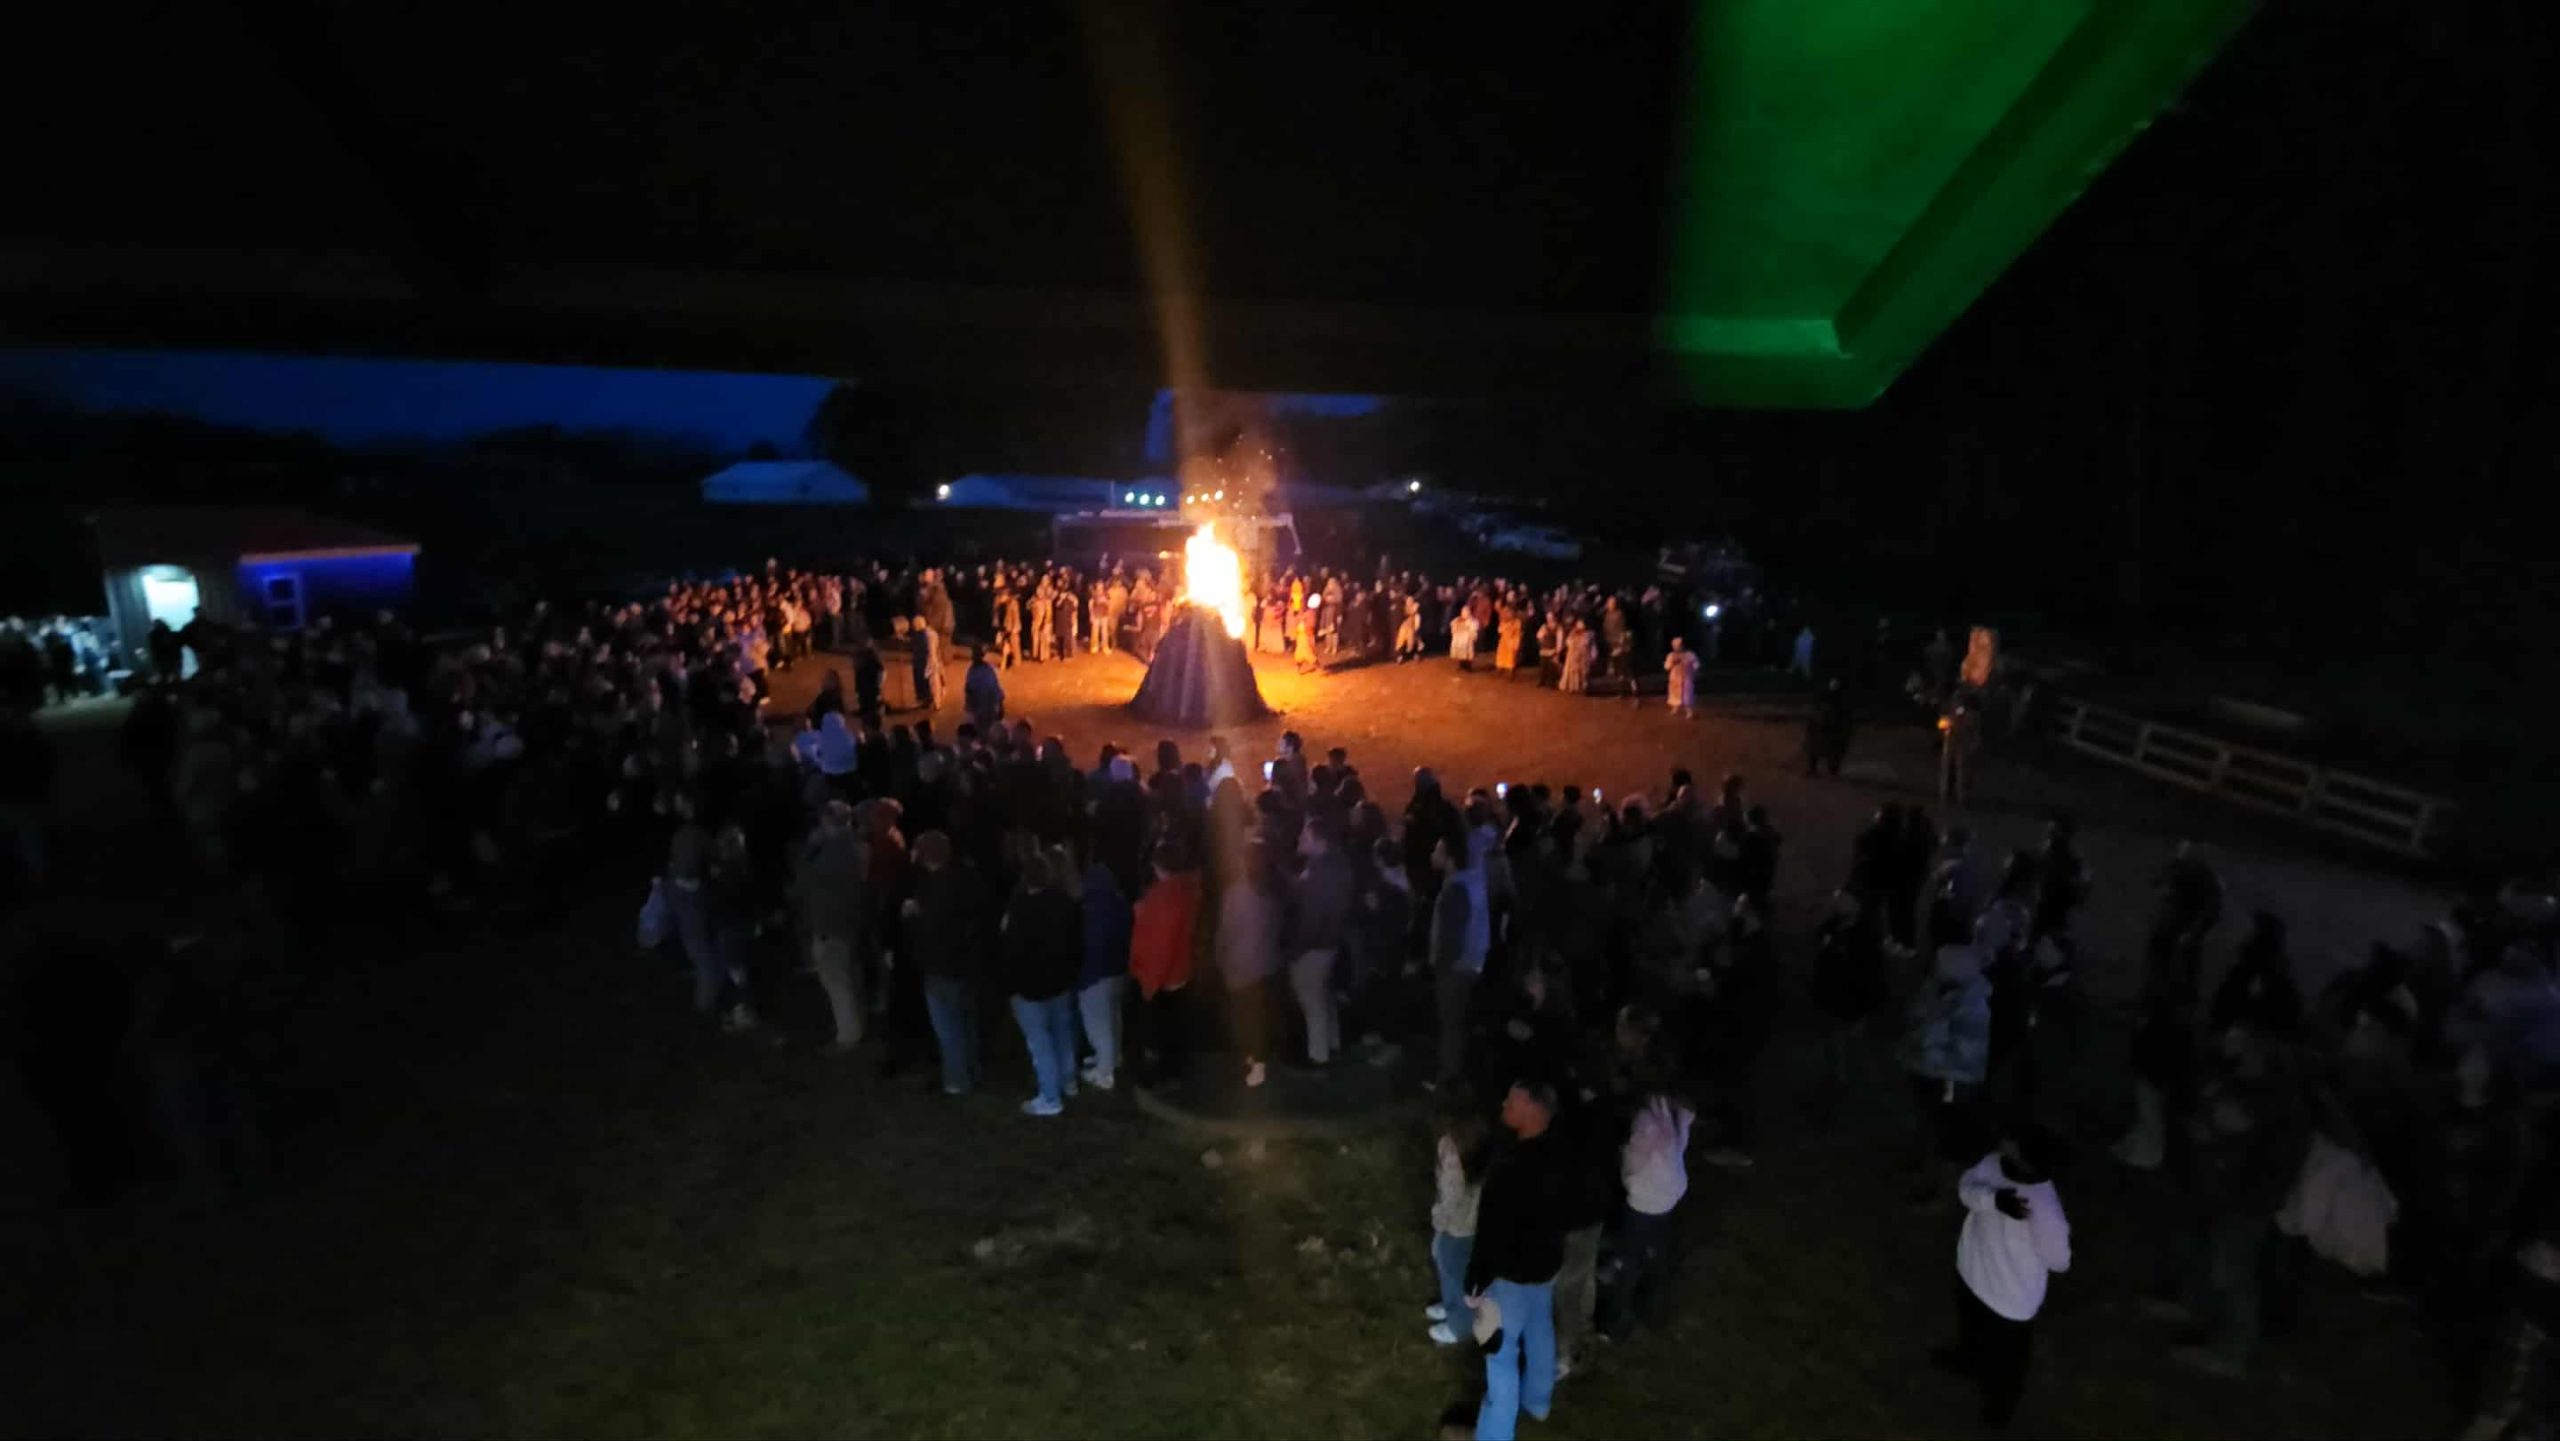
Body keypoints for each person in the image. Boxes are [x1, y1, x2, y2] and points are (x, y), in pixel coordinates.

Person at [1937, 1127, 2073, 1429]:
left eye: (2013, 1142)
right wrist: (1992, 1200)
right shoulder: (1992, 1164)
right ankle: (1969, 1361)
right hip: (1973, 1273)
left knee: (2006, 1366)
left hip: (2009, 1301)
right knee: (1972, 1329)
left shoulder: (2045, 1208)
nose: (2005, 1142)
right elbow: (1966, 1188)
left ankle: (1997, 1414)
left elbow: (2058, 1259)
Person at [1468, 1080, 1570, 1441]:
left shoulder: (1510, 1165)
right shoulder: (1561, 1153)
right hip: (1546, 1266)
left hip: (1510, 1276)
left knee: (1500, 1353)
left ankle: (1495, 1434)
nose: (1504, 1104)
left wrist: (1475, 1282)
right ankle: (1539, 1401)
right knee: (1540, 1327)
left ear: (1533, 1109)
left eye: (1512, 1100)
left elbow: (1491, 1232)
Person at [1605, 1071, 1695, 1342]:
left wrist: (1625, 1173)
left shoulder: (1646, 1120)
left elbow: (1634, 1160)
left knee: (1630, 1258)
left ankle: (1618, 1320)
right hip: (1669, 1196)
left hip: (1644, 1200)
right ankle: (1653, 1309)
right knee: (1656, 1251)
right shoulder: (1677, 1112)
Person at [1001, 849, 1083, 1117]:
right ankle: (1068, 1082)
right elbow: (1075, 943)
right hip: (1059, 982)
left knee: (1040, 1043)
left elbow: (1011, 951)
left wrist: (1010, 986)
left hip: (1029, 987)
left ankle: (1050, 1097)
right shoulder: (1065, 903)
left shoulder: (1019, 908)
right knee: (1062, 1034)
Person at [905, 831, 985, 1096]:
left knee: (948, 1028)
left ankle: (957, 1081)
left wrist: (913, 916)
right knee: (967, 1021)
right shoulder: (965, 878)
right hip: (967, 963)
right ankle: (973, 1070)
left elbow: (931, 930)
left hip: (942, 967)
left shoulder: (934, 890)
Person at [794, 800, 868, 1052]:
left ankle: (848, 1036)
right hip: (852, 920)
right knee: (852, 976)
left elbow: (803, 878)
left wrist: (811, 846)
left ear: (827, 821)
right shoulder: (858, 845)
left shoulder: (830, 853)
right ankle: (858, 1022)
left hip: (831, 925)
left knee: (837, 982)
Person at [1128, 843, 1202, 1086]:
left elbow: (1160, 945)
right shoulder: (1187, 889)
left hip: (1164, 977)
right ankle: (1178, 1068)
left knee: (1164, 1028)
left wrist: (1149, 982)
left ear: (1157, 866)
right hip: (1180, 969)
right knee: (1177, 1025)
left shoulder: (1164, 897)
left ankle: (1167, 1073)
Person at [1291, 819, 1356, 1067]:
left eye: (1305, 837)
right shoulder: (1338, 864)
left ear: (1320, 842)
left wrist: (1297, 949)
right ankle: (1331, 1044)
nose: (1300, 839)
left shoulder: (1320, 872)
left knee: (1311, 1000)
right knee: (1324, 996)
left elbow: (1312, 917)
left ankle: (1318, 1057)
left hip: (1315, 945)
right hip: (1332, 942)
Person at [1218, 843, 1283, 1089]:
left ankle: (1256, 1063)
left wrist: (1221, 959)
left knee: (1246, 1017)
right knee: (1261, 1016)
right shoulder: (1276, 891)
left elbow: (1226, 932)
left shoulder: (1236, 894)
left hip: (1242, 967)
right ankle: (1257, 1059)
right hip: (1268, 963)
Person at [1427, 1104, 1492, 1346]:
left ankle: (1459, 1326)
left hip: (1456, 1230)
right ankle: (1451, 1306)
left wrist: (1439, 1221)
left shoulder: (1455, 1160)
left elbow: (1450, 1199)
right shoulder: (1482, 1154)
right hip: (1470, 1228)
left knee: (1455, 1276)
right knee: (1451, 1271)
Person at [1431, 837, 1484, 1089]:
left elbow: (1452, 934)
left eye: (1438, 850)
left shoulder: (1455, 889)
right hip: (1467, 964)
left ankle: (1449, 1076)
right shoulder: (1469, 883)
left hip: (1454, 968)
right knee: (1457, 1021)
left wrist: (1442, 964)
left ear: (1450, 858)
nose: (1433, 854)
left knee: (1451, 1023)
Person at [1077, 853, 1133, 1091]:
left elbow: (1091, 945)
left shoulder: (1091, 909)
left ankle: (1104, 1073)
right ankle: (1112, 1056)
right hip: (1119, 972)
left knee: (1098, 1025)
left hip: (1096, 976)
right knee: (1113, 1018)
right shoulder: (1121, 903)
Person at [1806, 677, 1853, 777]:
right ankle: (1814, 768)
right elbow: (1815, 714)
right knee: (1815, 748)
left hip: (1833, 729)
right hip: (1823, 728)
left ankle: (1831, 769)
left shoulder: (1841, 702)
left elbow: (1845, 718)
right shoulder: (1823, 700)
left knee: (1833, 751)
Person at [963, 646, 1005, 735]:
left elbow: (995, 688)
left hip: (988, 708)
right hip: (978, 708)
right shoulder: (973, 670)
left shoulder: (987, 670)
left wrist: (1001, 706)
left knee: (988, 731)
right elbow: (968, 690)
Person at [1662, 636, 1700, 719]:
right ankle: (1675, 709)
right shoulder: (1671, 655)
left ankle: (1689, 712)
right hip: (1675, 678)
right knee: (1675, 694)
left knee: (1687, 694)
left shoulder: (1690, 655)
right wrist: (1673, 663)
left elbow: (1696, 664)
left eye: (1679, 646)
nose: (1678, 648)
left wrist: (1695, 670)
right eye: (1676, 646)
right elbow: (1666, 667)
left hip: (1687, 677)